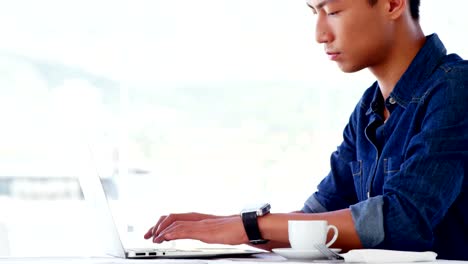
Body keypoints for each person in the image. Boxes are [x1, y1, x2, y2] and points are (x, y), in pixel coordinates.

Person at [144, 0, 468, 260]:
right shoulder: (369, 109)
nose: (320, 34)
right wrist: (217, 226)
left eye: (333, 11)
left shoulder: (456, 88)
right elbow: (316, 220)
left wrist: (247, 226)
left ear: (393, 3)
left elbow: (405, 218)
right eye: (315, 12)